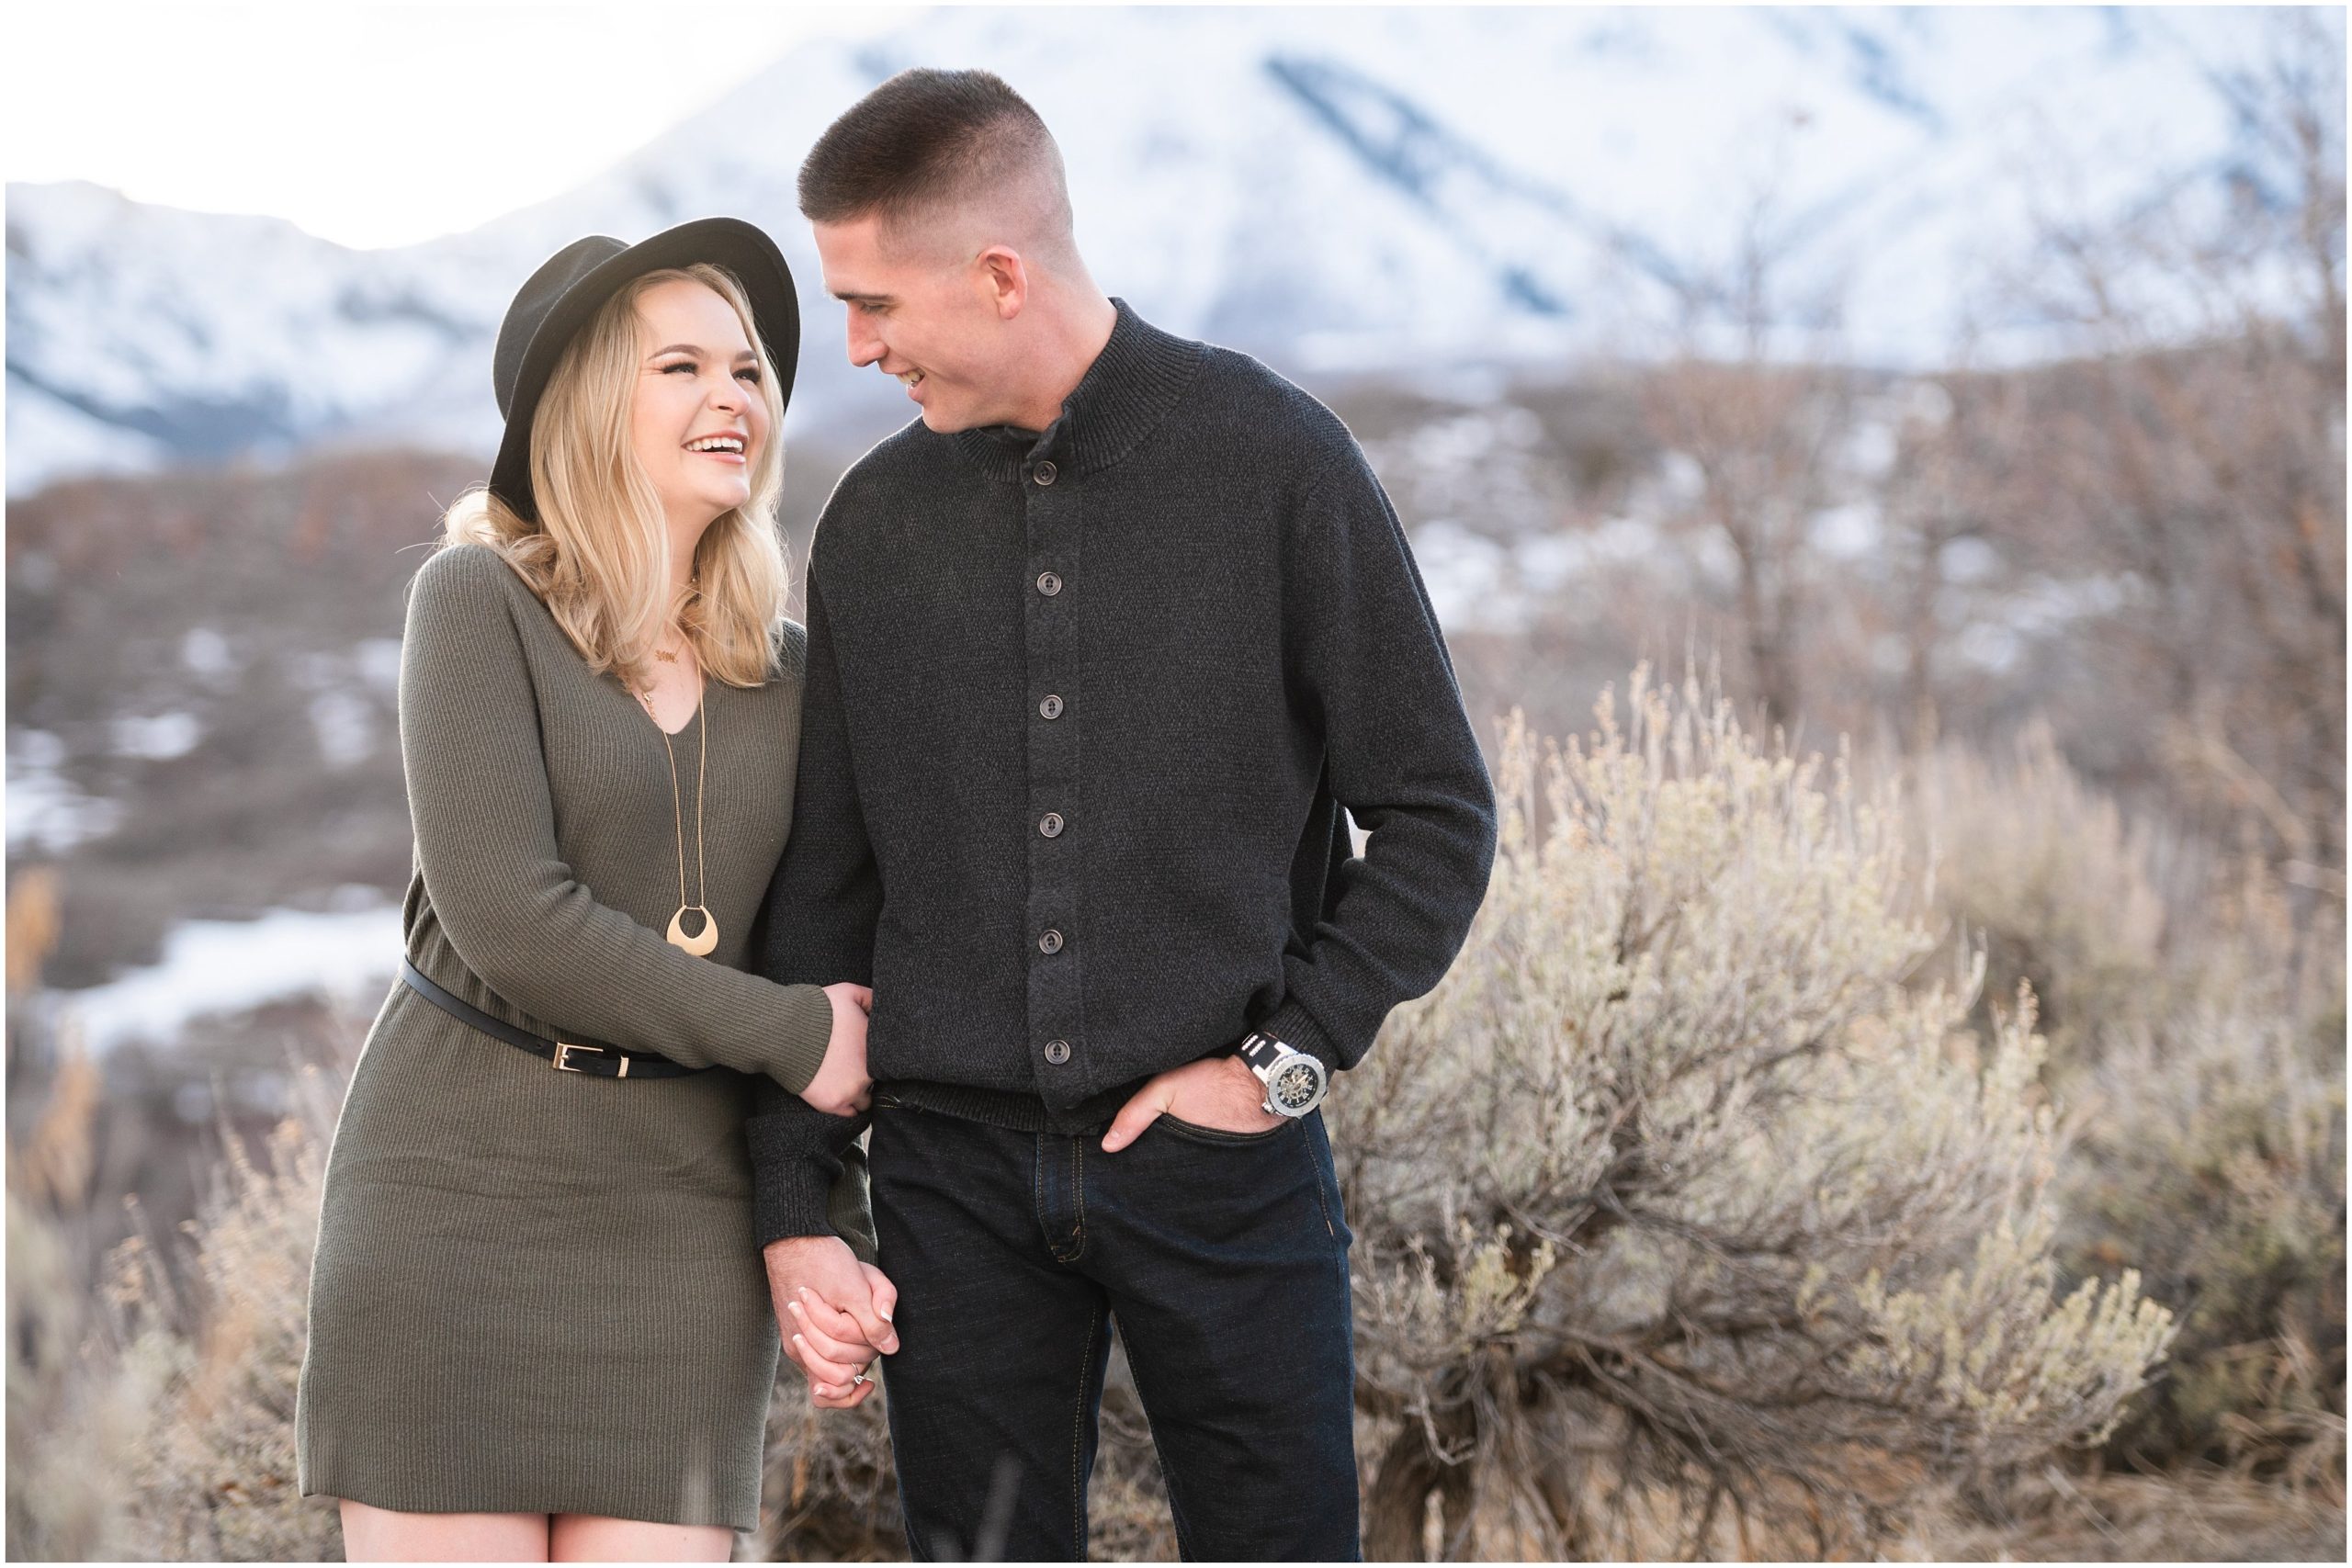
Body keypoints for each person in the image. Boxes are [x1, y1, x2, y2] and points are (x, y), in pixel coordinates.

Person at [747, 70, 1499, 1561]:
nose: (856, 348)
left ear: (1002, 272)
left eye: (875, 302)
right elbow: (826, 892)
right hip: (950, 1187)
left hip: (1222, 1170)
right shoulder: (874, 528)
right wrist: (795, 1201)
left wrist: (1282, 1064)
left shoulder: (1276, 461)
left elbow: (1434, 815)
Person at [294, 218, 886, 1563]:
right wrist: (797, 1035)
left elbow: (823, 936)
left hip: (683, 1233)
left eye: (746, 370)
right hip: (456, 1211)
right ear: (581, 408)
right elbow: (513, 917)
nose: (733, 396)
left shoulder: (791, 675)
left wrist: (824, 1230)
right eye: (680, 366)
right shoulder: (476, 604)